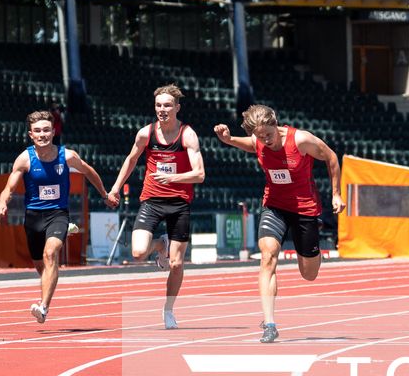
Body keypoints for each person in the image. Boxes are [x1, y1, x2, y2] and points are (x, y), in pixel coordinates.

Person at [212, 104, 342, 344]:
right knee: (268, 256)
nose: (265, 141)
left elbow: (331, 157)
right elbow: (251, 144)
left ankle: (313, 251)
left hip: (305, 209)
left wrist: (336, 193)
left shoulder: (301, 140)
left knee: (309, 273)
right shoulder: (259, 139)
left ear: (276, 124)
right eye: (260, 137)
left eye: (268, 135)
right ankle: (269, 323)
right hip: (274, 206)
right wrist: (229, 140)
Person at [0, 110, 113, 326]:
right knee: (42, 267)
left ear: (53, 131)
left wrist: (104, 194)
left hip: (57, 213)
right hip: (33, 218)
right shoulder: (24, 158)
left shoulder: (67, 156)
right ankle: (66, 235)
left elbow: (89, 171)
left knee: (50, 254)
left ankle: (43, 307)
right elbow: (8, 188)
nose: (42, 134)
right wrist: (2, 203)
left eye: (46, 130)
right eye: (37, 131)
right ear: (31, 134)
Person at [106, 84, 207, 329]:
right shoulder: (145, 133)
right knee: (138, 253)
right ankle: (162, 243)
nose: (162, 110)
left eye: (167, 105)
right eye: (159, 105)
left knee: (176, 263)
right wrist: (116, 188)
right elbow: (131, 160)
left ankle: (168, 309)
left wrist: (173, 178)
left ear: (177, 108)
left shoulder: (187, 134)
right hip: (152, 200)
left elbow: (200, 174)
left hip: (179, 203)